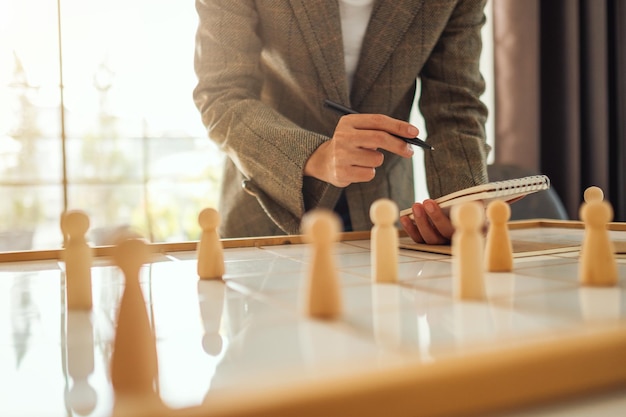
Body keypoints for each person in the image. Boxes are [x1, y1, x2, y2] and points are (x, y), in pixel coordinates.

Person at [193, 0, 490, 244]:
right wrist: (314, 155)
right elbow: (221, 95)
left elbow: (454, 104)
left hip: (385, 214)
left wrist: (464, 201)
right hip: (269, 208)